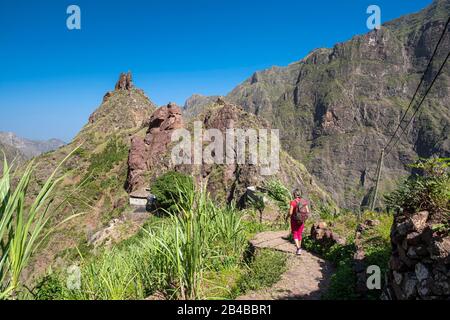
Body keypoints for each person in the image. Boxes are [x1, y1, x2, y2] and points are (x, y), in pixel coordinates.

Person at [288, 189, 310, 255]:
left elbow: (290, 213)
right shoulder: (304, 201)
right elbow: (307, 211)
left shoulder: (293, 202)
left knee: (295, 233)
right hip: (302, 220)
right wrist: (304, 218)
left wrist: (287, 216)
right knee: (299, 234)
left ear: (294, 194)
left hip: (294, 220)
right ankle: (299, 248)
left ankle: (298, 248)